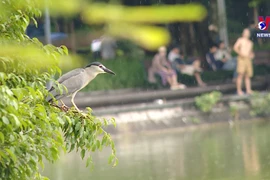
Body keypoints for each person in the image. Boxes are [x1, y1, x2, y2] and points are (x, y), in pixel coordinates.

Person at [233, 28, 254, 95]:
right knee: (240, 74)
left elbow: (250, 52)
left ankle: (248, 90)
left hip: (248, 59)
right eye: (245, 32)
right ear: (243, 33)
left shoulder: (250, 43)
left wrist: (252, 55)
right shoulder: (240, 40)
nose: (246, 33)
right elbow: (235, 47)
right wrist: (240, 54)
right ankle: (239, 90)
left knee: (248, 75)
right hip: (241, 59)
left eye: (248, 32)